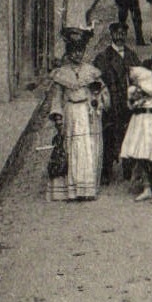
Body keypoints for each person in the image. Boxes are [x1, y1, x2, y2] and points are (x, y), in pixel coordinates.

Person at [47, 29, 109, 202]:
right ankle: (70, 189)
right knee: (71, 147)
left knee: (87, 147)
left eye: (80, 51)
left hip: (87, 113)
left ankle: (86, 188)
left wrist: (98, 100)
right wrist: (58, 117)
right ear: (68, 52)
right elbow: (57, 97)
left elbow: (102, 93)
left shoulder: (91, 71)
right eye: (74, 51)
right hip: (70, 113)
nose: (77, 54)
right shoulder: (62, 73)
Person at [93, 20, 141, 184]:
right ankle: (106, 171)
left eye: (122, 34)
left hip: (127, 102)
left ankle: (128, 168)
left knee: (129, 133)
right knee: (109, 135)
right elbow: (97, 80)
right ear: (111, 35)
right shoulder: (103, 57)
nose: (119, 37)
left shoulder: (131, 55)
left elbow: (139, 76)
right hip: (112, 102)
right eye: (116, 34)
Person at [120, 62, 152, 202]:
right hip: (138, 119)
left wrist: (138, 85)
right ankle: (147, 188)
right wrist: (132, 98)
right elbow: (130, 105)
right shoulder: (142, 85)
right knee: (139, 155)